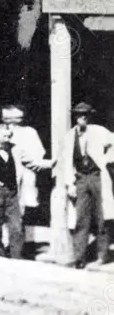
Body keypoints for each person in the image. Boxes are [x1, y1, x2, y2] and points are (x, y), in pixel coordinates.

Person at [0, 115, 53, 259]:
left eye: (10, 135)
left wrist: (50, 163)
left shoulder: (16, 150)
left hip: (13, 194)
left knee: (16, 228)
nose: (9, 137)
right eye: (5, 135)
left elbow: (32, 163)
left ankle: (16, 258)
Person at [64, 101, 114, 268]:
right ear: (75, 117)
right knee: (81, 218)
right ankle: (79, 257)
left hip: (97, 177)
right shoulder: (70, 135)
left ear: (90, 116)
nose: (82, 117)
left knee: (102, 217)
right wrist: (70, 183)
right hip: (81, 179)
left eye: (85, 114)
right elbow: (66, 162)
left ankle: (102, 255)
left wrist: (106, 159)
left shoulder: (99, 131)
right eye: (79, 114)